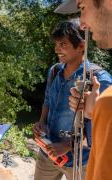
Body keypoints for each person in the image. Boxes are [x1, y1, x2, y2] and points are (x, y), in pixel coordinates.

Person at [33, 20, 112, 180]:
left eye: (63, 44)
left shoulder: (99, 79)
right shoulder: (54, 70)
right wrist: (41, 121)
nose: (57, 49)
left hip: (81, 161)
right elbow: (47, 100)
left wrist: (68, 145)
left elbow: (104, 128)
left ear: (82, 46)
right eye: (56, 44)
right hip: (47, 153)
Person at [55, 0, 112, 180]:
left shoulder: (104, 87)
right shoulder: (55, 72)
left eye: (82, 8)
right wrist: (92, 115)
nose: (82, 24)